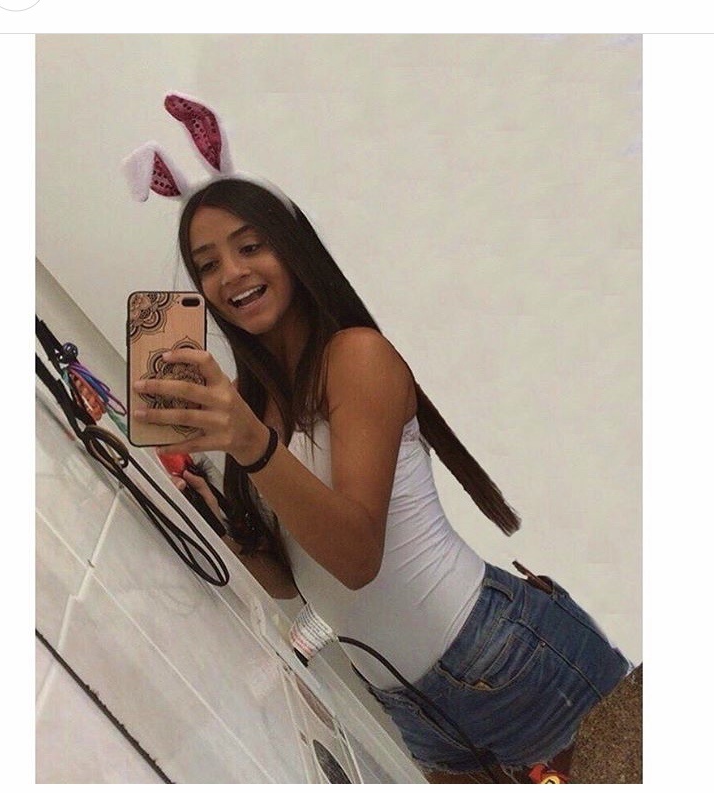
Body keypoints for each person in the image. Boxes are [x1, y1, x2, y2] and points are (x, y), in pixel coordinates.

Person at [131, 176, 632, 782]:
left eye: (251, 246)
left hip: (506, 657)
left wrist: (252, 446)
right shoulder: (248, 404)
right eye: (207, 264)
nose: (231, 273)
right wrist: (209, 509)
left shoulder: (355, 356)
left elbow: (357, 557)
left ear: (292, 248)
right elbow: (294, 583)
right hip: (410, 706)